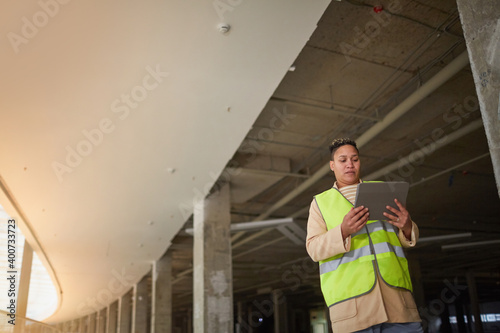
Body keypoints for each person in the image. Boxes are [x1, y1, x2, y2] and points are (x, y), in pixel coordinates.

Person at [306, 138, 423, 333]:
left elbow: (402, 237)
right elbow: (313, 249)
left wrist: (408, 225)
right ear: (332, 165)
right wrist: (343, 231)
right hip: (352, 310)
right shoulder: (321, 203)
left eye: (355, 159)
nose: (350, 164)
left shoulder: (382, 190)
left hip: (398, 304)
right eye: (343, 160)